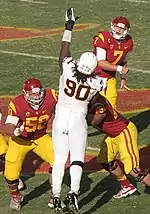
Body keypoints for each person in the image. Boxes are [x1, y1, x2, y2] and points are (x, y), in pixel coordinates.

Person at [51, 8, 106, 213]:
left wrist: (69, 28)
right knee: (77, 158)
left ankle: (55, 195)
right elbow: (98, 92)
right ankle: (73, 193)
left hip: (62, 115)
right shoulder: (97, 83)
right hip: (78, 119)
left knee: (58, 158)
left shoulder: (68, 69)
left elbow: (64, 52)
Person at [0, 78, 57, 210]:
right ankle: (16, 197)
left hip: (40, 137)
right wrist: (14, 131)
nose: (36, 96)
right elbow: (8, 125)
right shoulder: (17, 104)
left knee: (58, 160)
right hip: (21, 141)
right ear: (25, 94)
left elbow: (67, 101)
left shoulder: (52, 96)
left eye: (38, 93)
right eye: (33, 94)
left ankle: (55, 193)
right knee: (11, 174)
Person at [87, 93, 150, 198]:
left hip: (123, 132)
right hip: (112, 135)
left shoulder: (97, 102)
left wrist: (79, 116)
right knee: (105, 160)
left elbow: (95, 120)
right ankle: (126, 186)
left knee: (133, 170)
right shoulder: (86, 100)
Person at [92, 16, 133, 109]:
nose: (119, 30)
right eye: (117, 27)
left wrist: (123, 78)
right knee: (89, 106)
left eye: (122, 28)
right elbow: (101, 62)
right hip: (94, 77)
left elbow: (123, 60)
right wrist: (119, 69)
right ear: (112, 26)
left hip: (110, 77)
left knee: (112, 107)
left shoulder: (127, 41)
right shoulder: (104, 37)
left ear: (126, 30)